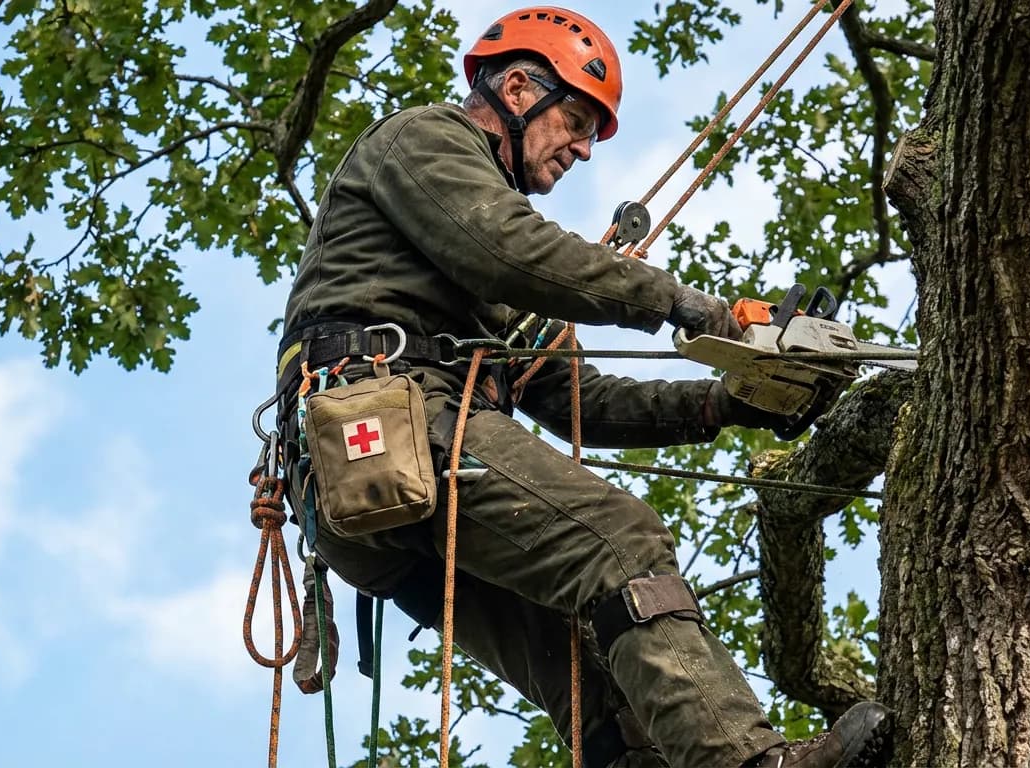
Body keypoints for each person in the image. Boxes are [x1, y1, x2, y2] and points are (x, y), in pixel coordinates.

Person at [273, 6, 893, 767]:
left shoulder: (489, 283)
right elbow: (512, 249)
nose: (583, 151)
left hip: (382, 495)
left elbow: (578, 399)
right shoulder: (427, 142)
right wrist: (678, 301)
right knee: (622, 542)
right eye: (575, 121)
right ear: (519, 87)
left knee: (586, 667)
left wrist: (727, 403)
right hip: (390, 424)